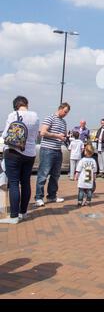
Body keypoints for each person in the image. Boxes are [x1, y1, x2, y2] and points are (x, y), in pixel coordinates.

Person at [0, 96, 39, 224]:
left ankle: (14, 216)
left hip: (14, 152)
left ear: (15, 106)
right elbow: (34, 135)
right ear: (26, 104)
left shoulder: (13, 115)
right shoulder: (35, 116)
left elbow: (5, 134)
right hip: (30, 153)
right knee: (26, 183)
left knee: (14, 183)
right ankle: (24, 212)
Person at [35, 102, 70, 207]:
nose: (65, 114)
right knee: (43, 174)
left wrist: (64, 137)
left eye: (67, 113)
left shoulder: (64, 122)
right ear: (60, 108)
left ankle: (52, 196)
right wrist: (57, 136)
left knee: (55, 175)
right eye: (65, 112)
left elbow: (63, 135)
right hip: (47, 150)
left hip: (57, 150)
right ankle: (38, 197)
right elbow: (42, 132)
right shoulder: (49, 118)